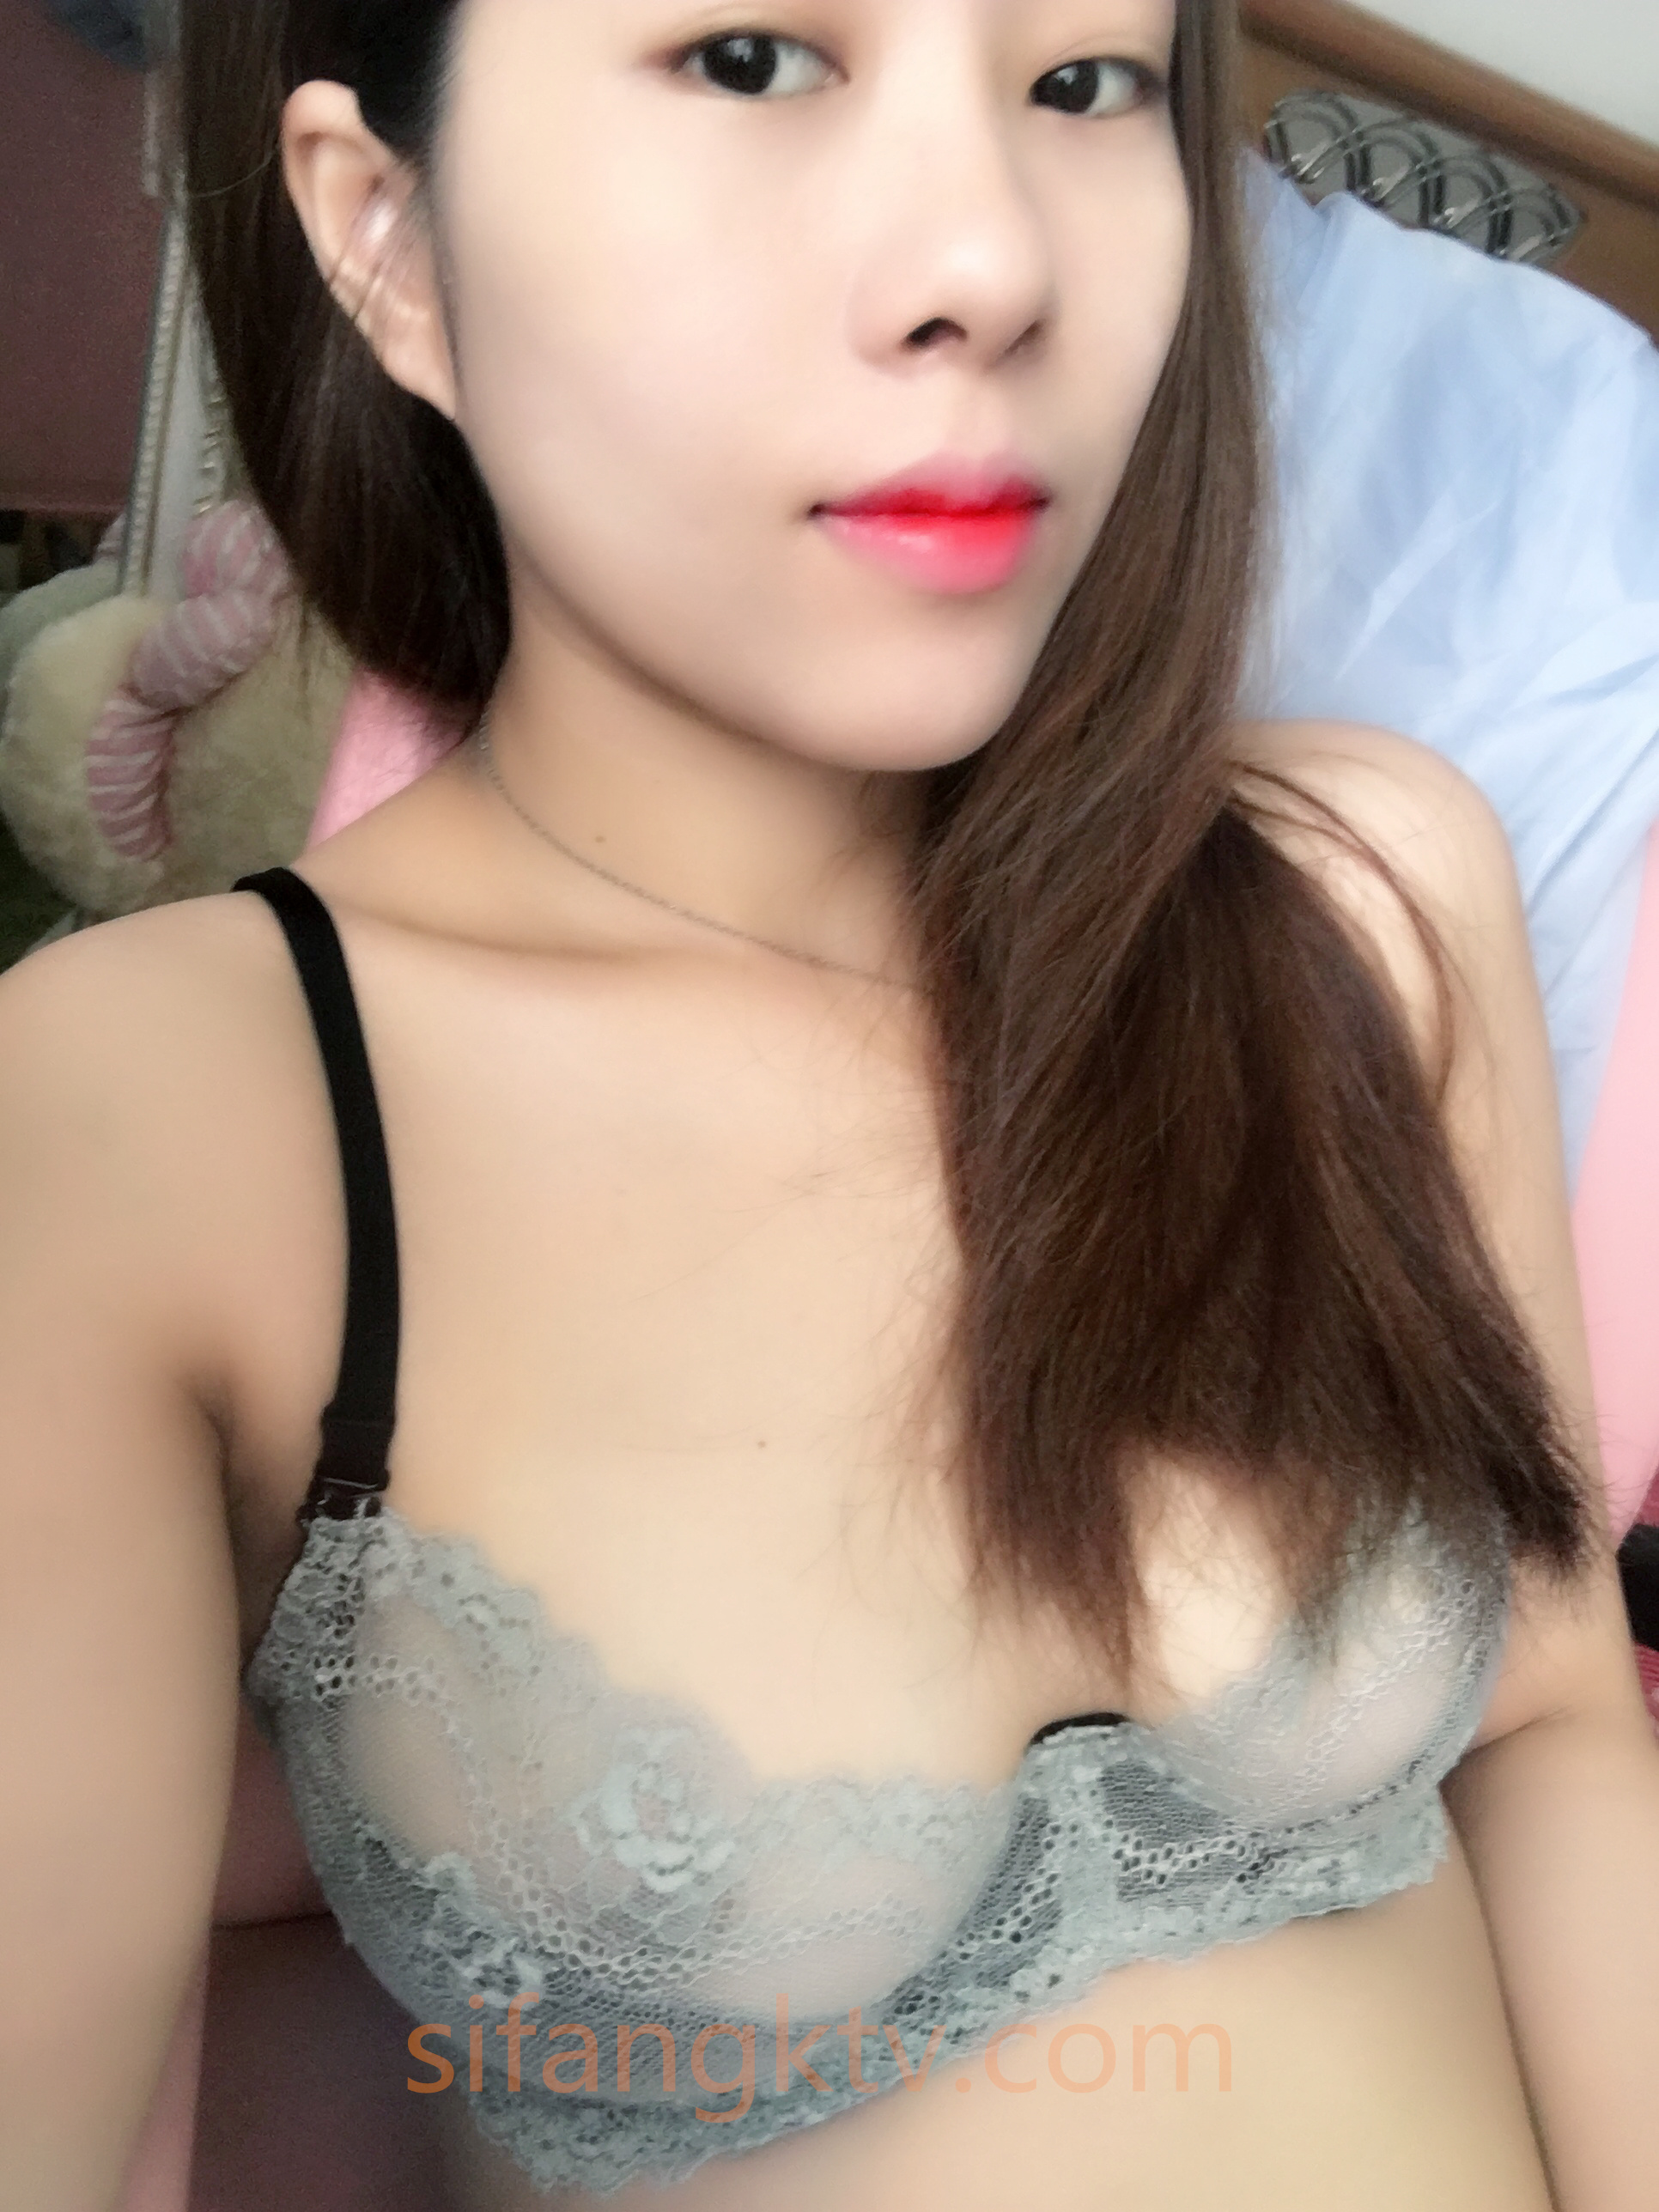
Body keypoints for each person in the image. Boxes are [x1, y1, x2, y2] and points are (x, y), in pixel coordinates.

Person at [3, 3, 1656, 2209]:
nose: (993, 260)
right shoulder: (164, 1118)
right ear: (386, 232)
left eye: (1086, 83)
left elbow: (1551, 1731)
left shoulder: (1359, 902)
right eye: (755, 61)